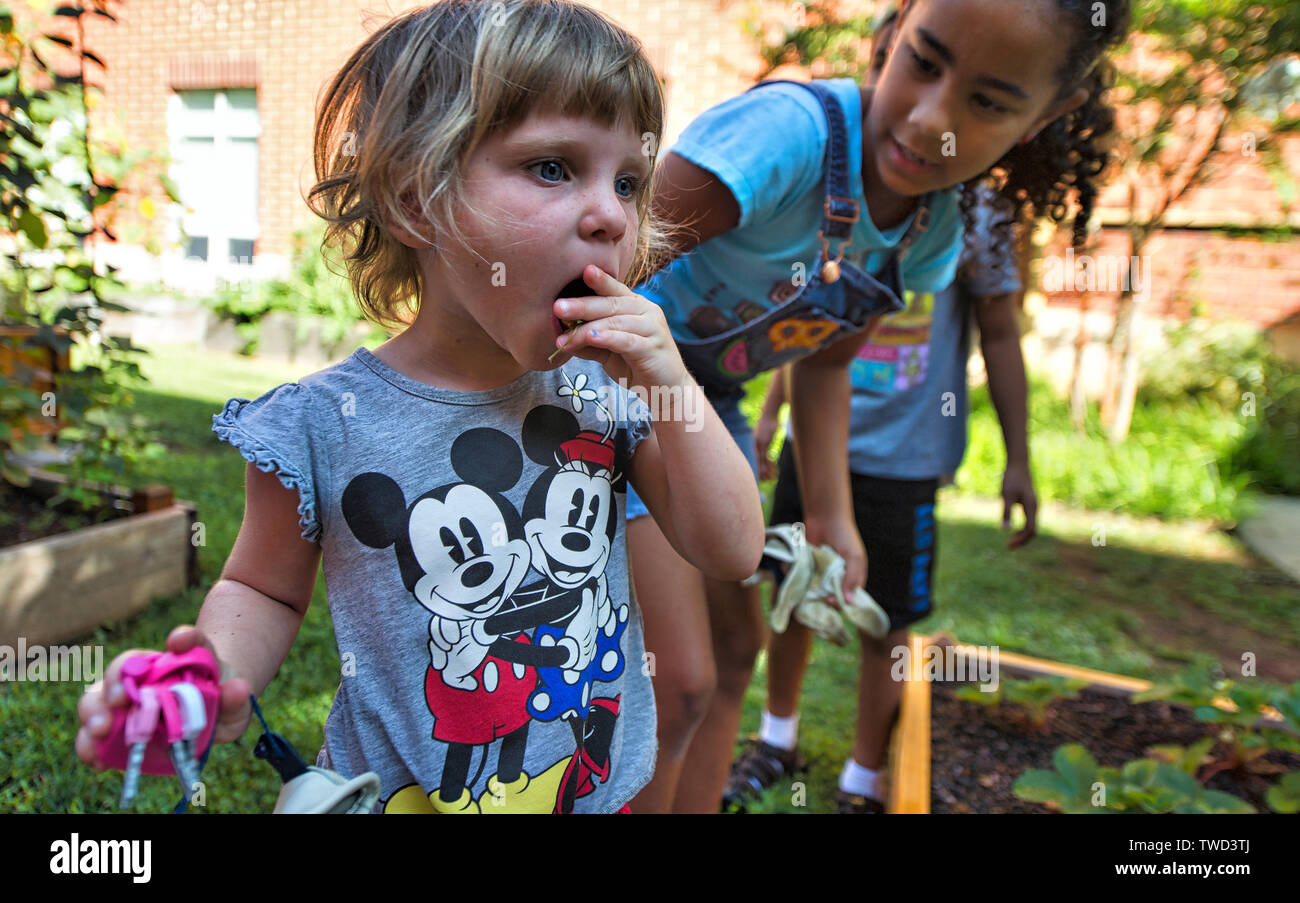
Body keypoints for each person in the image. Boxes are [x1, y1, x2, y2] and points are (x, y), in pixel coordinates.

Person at [74, 0, 764, 815]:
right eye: (552, 167)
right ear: (415, 199)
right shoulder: (320, 424)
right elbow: (264, 590)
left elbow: (731, 549)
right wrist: (215, 671)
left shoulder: (608, 394)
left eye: (627, 182)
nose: (611, 214)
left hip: (586, 790)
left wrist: (673, 383)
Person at [627, 0, 1130, 813]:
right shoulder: (787, 136)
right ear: (890, 36)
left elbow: (824, 360)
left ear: (1048, 116)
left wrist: (832, 514)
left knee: (732, 649)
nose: (934, 120)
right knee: (679, 675)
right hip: (605, 367)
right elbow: (605, 258)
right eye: (923, 63)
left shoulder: (932, 228)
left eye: (990, 101)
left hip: (702, 397)